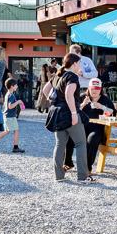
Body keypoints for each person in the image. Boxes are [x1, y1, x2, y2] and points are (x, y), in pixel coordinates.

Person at [42, 53, 95, 183]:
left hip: (56, 113)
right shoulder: (72, 76)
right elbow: (68, 94)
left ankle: (59, 176)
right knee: (81, 143)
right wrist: (73, 113)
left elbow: (45, 89)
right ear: (75, 63)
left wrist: (52, 99)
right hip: (68, 113)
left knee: (60, 144)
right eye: (80, 63)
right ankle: (82, 177)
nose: (80, 66)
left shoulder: (58, 75)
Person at [64, 78, 114, 174]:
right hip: (82, 126)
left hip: (97, 128)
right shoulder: (83, 97)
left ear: (100, 89)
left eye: (97, 88)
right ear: (89, 88)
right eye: (92, 88)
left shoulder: (104, 99)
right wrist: (83, 104)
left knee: (92, 139)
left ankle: (87, 167)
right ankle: (68, 162)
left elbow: (112, 113)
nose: (94, 91)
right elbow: (72, 110)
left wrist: (102, 107)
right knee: (69, 136)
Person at [0, 78, 26, 153]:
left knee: (7, 131)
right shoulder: (11, 95)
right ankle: (15, 147)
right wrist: (18, 102)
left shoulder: (8, 94)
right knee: (16, 130)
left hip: (7, 116)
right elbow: (10, 106)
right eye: (16, 85)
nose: (17, 87)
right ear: (12, 86)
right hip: (10, 116)